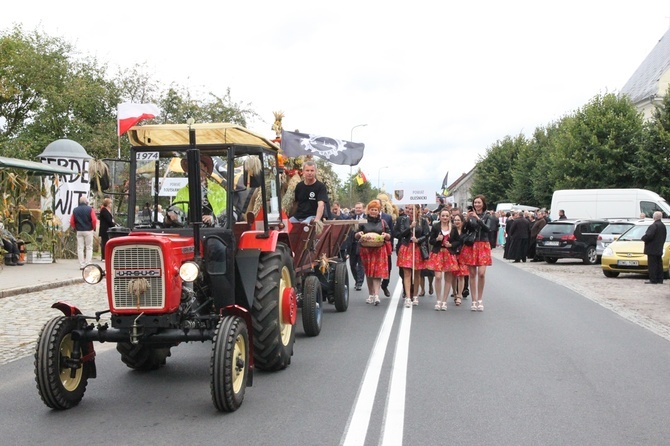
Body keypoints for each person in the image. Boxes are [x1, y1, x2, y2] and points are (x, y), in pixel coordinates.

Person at [169, 155, 227, 227]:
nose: (194, 171)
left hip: (213, 231)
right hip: (188, 231)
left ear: (205, 169)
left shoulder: (218, 190)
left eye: (198, 167)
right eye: (191, 168)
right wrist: (173, 213)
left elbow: (227, 213)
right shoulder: (182, 192)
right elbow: (177, 208)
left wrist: (213, 219)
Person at [353, 200, 391, 305]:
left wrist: (385, 235)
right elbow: (356, 235)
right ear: (368, 211)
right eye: (372, 210)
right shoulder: (363, 221)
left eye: (376, 210)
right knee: (369, 273)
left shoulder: (383, 222)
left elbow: (389, 235)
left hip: (379, 249)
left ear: (378, 211)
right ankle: (371, 294)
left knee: (377, 272)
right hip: (366, 250)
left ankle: (377, 296)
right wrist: (359, 234)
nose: (374, 211)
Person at [460, 195, 492, 311]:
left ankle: (480, 299)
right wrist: (467, 220)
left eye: (479, 203)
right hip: (472, 245)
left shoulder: (488, 215)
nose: (476, 205)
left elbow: (488, 229)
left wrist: (478, 219)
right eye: (475, 203)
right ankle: (474, 301)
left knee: (482, 273)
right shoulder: (470, 216)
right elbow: (464, 231)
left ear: (483, 203)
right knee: (472, 274)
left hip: (483, 244)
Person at [396, 204, 431, 307]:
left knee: (417, 273)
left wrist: (418, 240)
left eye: (412, 209)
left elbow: (426, 234)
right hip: (406, 247)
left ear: (417, 210)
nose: (410, 211)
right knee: (406, 273)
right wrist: (410, 228)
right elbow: (399, 234)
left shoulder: (423, 221)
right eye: (408, 209)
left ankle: (415, 295)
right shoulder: (402, 220)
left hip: (417, 248)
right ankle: (407, 297)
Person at [427, 208, 460, 310]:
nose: (445, 217)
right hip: (438, 253)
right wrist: (437, 239)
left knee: (448, 277)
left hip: (449, 254)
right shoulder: (436, 227)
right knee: (438, 276)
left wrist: (451, 244)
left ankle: (444, 301)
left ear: (450, 216)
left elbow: (458, 241)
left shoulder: (453, 228)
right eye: (443, 215)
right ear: (440, 216)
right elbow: (431, 240)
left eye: (446, 216)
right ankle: (438, 300)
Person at [70, 195, 98, 269]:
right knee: (89, 247)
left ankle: (81, 264)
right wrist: (93, 227)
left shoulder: (75, 210)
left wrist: (75, 227)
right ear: (86, 202)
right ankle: (88, 263)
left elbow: (72, 221)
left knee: (80, 248)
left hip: (79, 230)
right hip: (88, 230)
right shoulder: (90, 209)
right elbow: (94, 220)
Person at [641, 211, 667, 284]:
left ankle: (653, 279)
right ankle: (660, 279)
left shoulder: (654, 226)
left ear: (654, 217)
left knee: (652, 265)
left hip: (652, 248)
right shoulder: (663, 226)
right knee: (659, 264)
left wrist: (643, 238)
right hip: (659, 247)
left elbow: (649, 235)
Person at [451, 212, 469, 305]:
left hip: (463, 255)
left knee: (461, 275)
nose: (457, 222)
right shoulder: (452, 230)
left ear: (462, 221)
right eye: (455, 220)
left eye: (458, 220)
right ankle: (454, 292)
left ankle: (459, 295)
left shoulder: (466, 232)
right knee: (453, 276)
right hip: (453, 254)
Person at [348, 202, 366, 290]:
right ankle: (356, 280)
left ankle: (359, 282)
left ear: (363, 209)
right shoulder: (351, 217)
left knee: (361, 265)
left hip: (362, 244)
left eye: (359, 208)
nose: (358, 209)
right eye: (356, 208)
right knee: (352, 265)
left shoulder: (366, 218)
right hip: (352, 244)